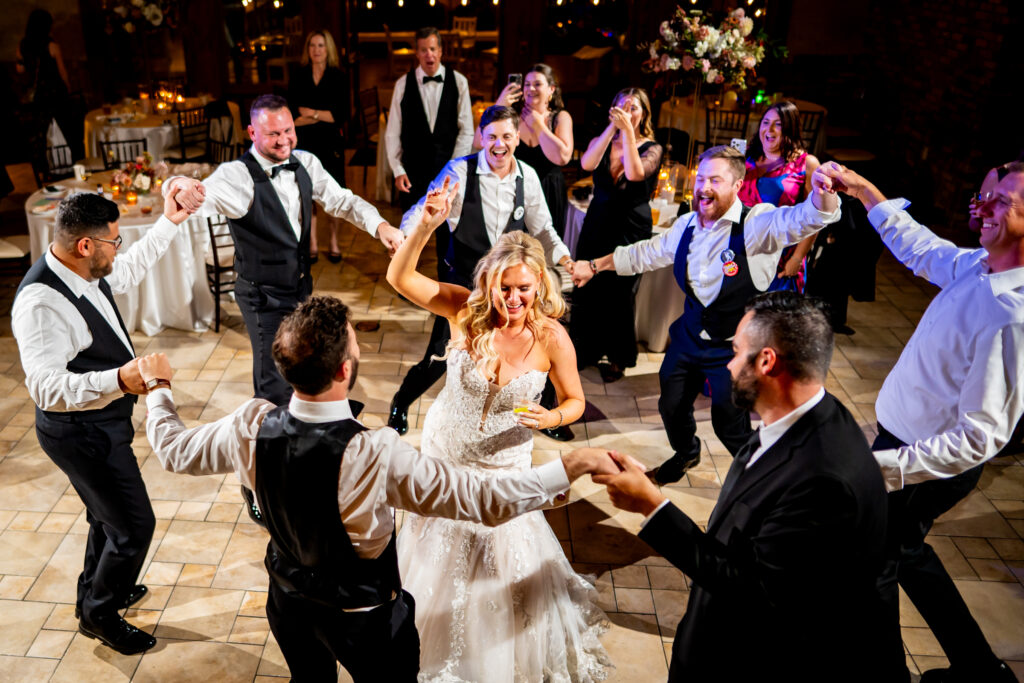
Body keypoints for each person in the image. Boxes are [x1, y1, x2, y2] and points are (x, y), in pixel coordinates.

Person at [138, 295, 616, 681]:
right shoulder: (377, 454)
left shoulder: (249, 425)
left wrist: (159, 386)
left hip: (287, 602)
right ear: (345, 369)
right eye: (354, 344)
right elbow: (483, 500)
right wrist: (569, 466)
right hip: (364, 620)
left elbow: (174, 450)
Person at [593, 291, 903, 682]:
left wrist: (652, 507)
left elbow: (756, 593)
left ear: (766, 361)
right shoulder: (813, 416)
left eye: (736, 351)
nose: (728, 364)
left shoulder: (823, 480)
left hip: (754, 659)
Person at [386, 179, 610, 682]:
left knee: (496, 566)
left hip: (503, 467)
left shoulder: (552, 337)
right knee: (434, 557)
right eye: (504, 287)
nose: (512, 298)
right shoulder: (465, 311)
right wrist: (426, 224)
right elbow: (400, 277)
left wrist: (552, 418)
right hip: (446, 456)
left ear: (540, 288)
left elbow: (575, 401)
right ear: (489, 282)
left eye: (523, 289)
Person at [822, 163, 1024, 683]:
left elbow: (981, 436)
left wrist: (885, 470)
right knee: (903, 553)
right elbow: (921, 248)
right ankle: (982, 670)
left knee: (876, 561)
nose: (982, 208)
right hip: (902, 446)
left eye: (1001, 201)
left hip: (926, 462)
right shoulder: (979, 266)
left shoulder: (1012, 316)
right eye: (985, 196)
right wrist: (865, 189)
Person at [573, 146, 841, 483]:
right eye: (701, 178)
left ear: (737, 185)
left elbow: (808, 218)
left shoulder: (758, 223)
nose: (704, 187)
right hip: (687, 336)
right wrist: (595, 266)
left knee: (729, 423)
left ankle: (760, 479)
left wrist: (822, 192)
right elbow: (645, 253)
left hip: (734, 349)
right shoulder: (687, 224)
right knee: (671, 405)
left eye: (715, 179)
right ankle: (687, 453)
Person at [11, 189, 195, 655]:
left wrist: (169, 222)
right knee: (135, 526)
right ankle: (100, 613)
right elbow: (46, 388)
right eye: (113, 241)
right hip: (80, 433)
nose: (119, 248)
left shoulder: (81, 269)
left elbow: (128, 270)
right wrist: (121, 377)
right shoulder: (41, 304)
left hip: (100, 424)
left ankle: (94, 591)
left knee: (105, 515)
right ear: (85, 246)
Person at [166, 93, 404, 407]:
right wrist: (179, 187)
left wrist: (380, 226)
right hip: (261, 295)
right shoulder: (235, 176)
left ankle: (299, 431)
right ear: (252, 133)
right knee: (271, 383)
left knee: (301, 367)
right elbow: (198, 192)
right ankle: (269, 444)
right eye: (273, 134)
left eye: (288, 130)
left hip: (299, 286)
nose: (284, 141)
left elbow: (342, 200)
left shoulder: (305, 162)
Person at [386, 105, 576, 442]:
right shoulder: (459, 171)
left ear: (517, 138)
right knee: (440, 355)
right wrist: (406, 235)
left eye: (506, 136)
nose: (498, 144)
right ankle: (402, 402)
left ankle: (547, 417)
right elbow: (423, 209)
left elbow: (543, 228)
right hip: (465, 287)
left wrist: (563, 258)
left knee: (530, 353)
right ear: (481, 138)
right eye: (491, 137)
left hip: (512, 288)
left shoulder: (527, 177)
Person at [571, 87, 663, 383]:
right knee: (588, 285)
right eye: (621, 106)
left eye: (634, 107)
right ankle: (584, 350)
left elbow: (636, 174)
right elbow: (586, 164)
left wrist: (627, 133)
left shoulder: (652, 147)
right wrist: (613, 128)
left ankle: (618, 356)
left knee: (620, 292)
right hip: (598, 220)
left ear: (644, 114)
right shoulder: (605, 140)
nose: (627, 111)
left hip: (631, 226)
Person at [385, 27, 473, 217]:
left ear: (441, 51)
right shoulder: (402, 84)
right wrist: (398, 169)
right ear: (417, 53)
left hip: (446, 174)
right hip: (412, 174)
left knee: (446, 235)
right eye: (424, 50)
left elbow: (466, 131)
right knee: (410, 233)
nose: (429, 55)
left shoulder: (459, 82)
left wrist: (453, 168)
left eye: (433, 49)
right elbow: (392, 132)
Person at [738, 100, 821, 292]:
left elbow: (814, 218)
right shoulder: (747, 158)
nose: (769, 130)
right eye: (766, 122)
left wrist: (797, 258)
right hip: (743, 252)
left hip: (781, 257)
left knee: (774, 317)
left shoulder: (806, 164)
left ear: (790, 129)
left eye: (778, 124)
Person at [288, 29, 349, 263]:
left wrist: (311, 112)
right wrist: (320, 115)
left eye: (321, 45)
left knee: (333, 194)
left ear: (328, 49)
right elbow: (293, 115)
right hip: (304, 142)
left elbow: (339, 115)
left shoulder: (338, 76)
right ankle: (312, 241)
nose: (316, 50)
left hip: (330, 142)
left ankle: (333, 241)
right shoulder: (299, 76)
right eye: (312, 45)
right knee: (307, 194)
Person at [496, 63, 574, 237]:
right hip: (515, 191)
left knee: (545, 253)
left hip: (549, 193)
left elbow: (562, 158)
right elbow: (479, 141)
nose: (531, 88)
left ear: (551, 89)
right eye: (527, 84)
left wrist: (537, 124)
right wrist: (500, 104)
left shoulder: (560, 118)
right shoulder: (512, 117)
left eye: (537, 84)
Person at [17, 9, 80, 161]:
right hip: (56, 93)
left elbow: (20, 69)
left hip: (39, 95)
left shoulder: (23, 45)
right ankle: (69, 162)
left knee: (43, 132)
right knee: (66, 129)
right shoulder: (51, 45)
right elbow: (62, 72)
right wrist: (69, 88)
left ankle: (47, 164)